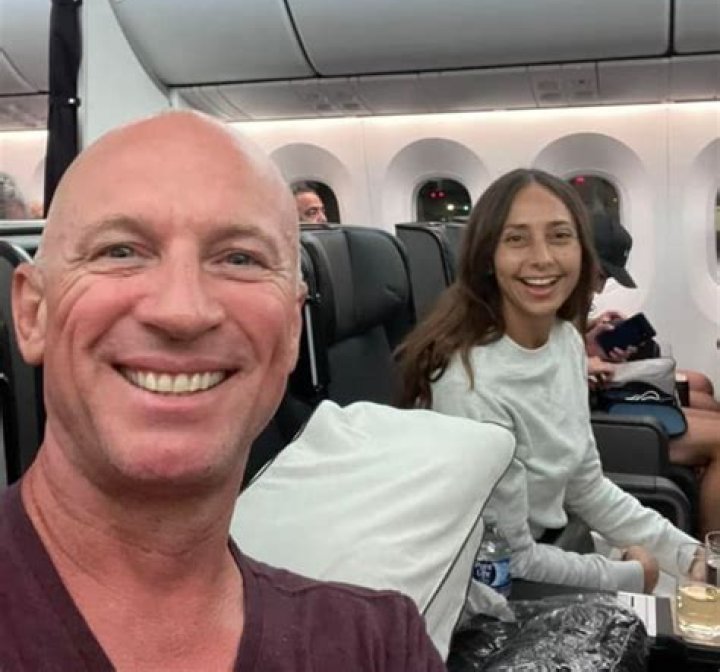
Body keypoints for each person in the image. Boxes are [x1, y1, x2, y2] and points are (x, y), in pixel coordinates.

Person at [0, 111, 444, 672]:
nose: (182, 311)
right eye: (121, 251)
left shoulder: (377, 646)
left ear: (291, 330)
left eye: (239, 259)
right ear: (33, 313)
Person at [397, 167, 699, 593]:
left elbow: (586, 487)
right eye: (516, 239)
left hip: (555, 546)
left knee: (692, 591)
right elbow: (507, 558)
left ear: (582, 251)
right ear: (487, 256)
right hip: (493, 586)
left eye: (559, 236)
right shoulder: (469, 384)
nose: (542, 258)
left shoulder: (565, 342)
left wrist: (692, 557)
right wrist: (632, 575)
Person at [586, 212, 719, 414]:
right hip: (589, 387)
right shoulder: (552, 299)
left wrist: (592, 325)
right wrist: (586, 353)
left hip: (594, 373)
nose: (600, 289)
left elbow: (565, 333)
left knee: (702, 384)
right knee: (709, 408)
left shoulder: (574, 299)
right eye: (601, 276)